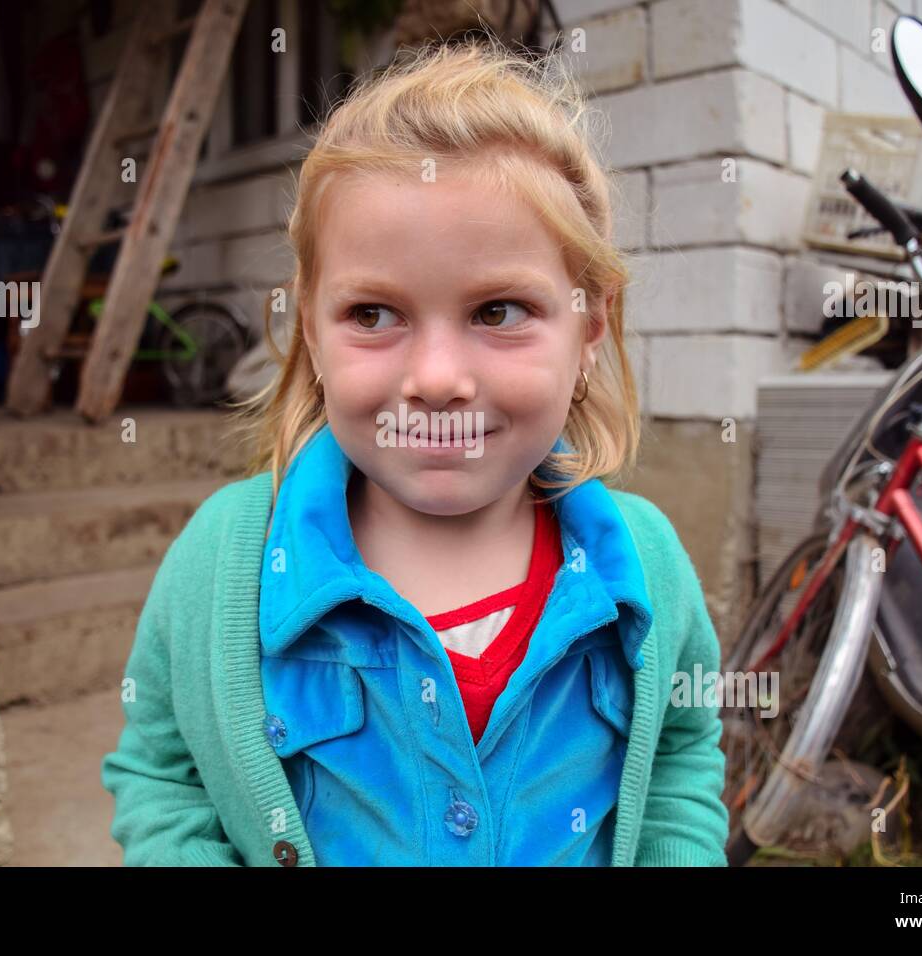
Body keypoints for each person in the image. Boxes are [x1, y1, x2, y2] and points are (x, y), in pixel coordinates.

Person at [102, 36, 728, 867]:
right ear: (312, 338)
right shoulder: (222, 565)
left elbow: (682, 749)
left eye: (499, 311)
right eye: (372, 315)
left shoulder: (645, 568)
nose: (435, 379)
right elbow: (162, 770)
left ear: (589, 329)